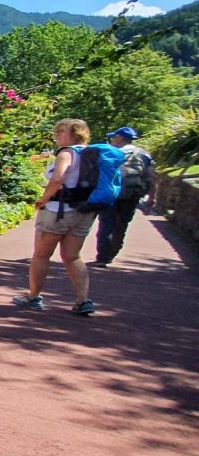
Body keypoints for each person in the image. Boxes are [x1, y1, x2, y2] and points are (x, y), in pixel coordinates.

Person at [13, 119, 98, 315]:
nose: (56, 136)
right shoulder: (93, 154)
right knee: (72, 256)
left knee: (41, 255)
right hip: (84, 211)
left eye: (61, 132)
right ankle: (83, 300)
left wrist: (43, 199)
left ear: (75, 134)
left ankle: (33, 297)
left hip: (59, 210)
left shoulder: (67, 153)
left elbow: (58, 178)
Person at [91, 126, 155, 267]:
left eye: (114, 137)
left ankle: (102, 257)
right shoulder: (143, 154)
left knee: (106, 223)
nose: (112, 140)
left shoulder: (110, 152)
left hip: (110, 193)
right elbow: (151, 176)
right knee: (121, 224)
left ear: (120, 138)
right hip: (132, 194)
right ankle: (112, 252)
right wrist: (152, 196)